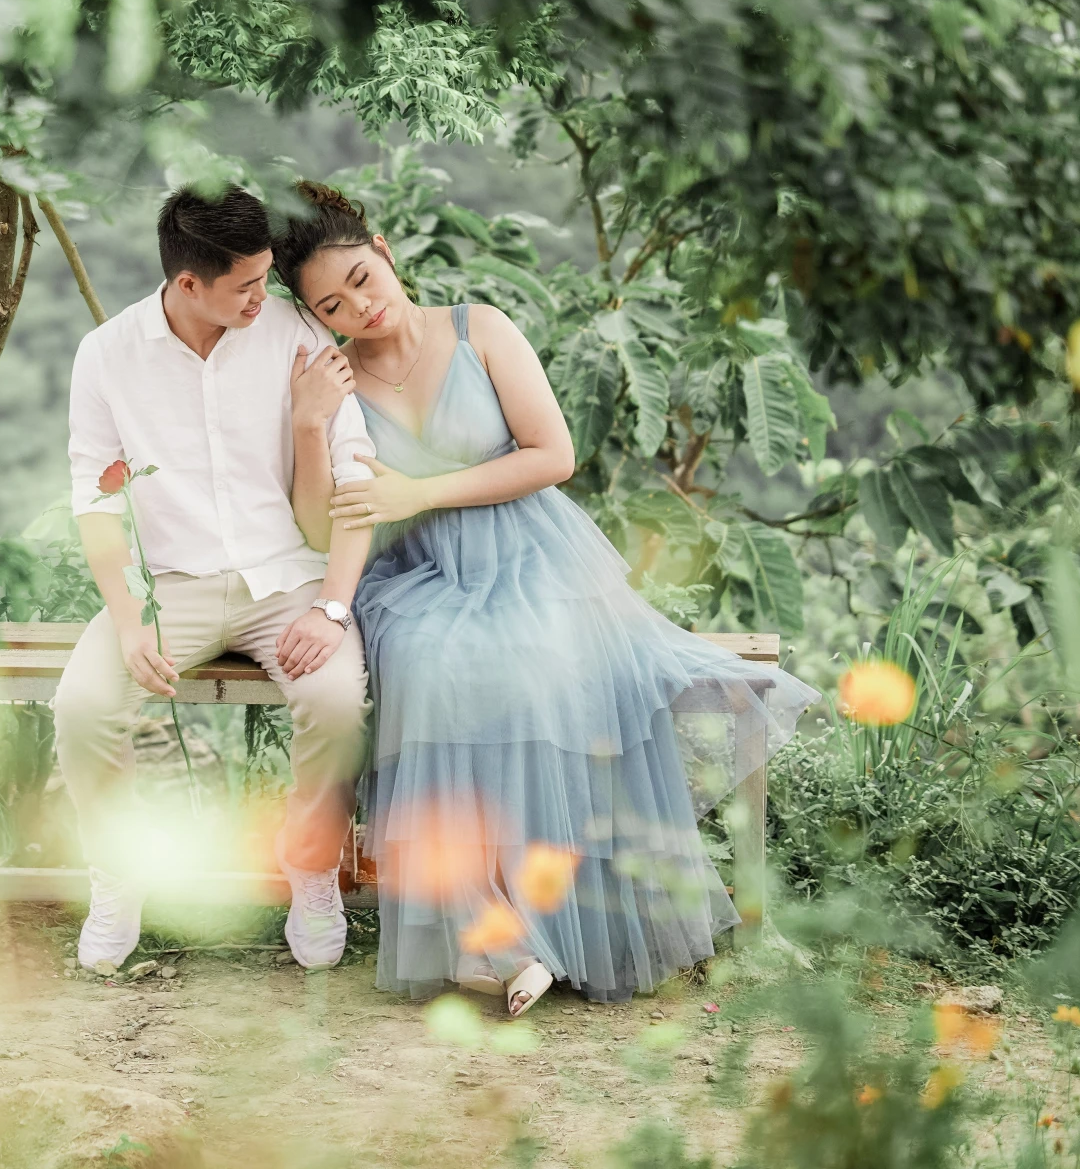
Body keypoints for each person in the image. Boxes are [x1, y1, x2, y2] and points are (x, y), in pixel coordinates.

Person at [271, 181, 817, 1015]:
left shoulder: (477, 327)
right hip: (421, 574)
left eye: (361, 278)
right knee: (429, 663)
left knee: (531, 661)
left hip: (530, 551)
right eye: (331, 304)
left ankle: (548, 917)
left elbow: (552, 452)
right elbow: (320, 523)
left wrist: (421, 490)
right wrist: (312, 424)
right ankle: (489, 930)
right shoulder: (334, 382)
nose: (359, 307)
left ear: (382, 250)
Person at [55, 185, 377, 972]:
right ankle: (117, 873)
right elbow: (95, 502)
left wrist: (333, 607)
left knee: (336, 701)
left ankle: (310, 868)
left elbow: (354, 471)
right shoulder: (108, 354)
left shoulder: (295, 329)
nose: (263, 296)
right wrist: (130, 622)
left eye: (267, 277)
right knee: (84, 703)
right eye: (246, 285)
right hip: (173, 586)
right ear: (188, 283)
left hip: (291, 585)